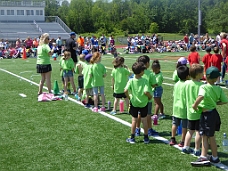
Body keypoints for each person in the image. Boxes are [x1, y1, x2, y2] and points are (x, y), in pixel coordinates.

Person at [191, 66, 228, 166]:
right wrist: (215, 103)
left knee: (205, 137)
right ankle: (214, 157)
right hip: (214, 114)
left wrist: (194, 105)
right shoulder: (218, 88)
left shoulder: (203, 87)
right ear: (216, 78)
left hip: (206, 115)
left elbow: (201, 96)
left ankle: (204, 157)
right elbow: (225, 101)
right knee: (211, 136)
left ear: (205, 77)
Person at [125, 62, 152, 144]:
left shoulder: (131, 80)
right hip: (144, 103)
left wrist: (129, 97)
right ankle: (146, 137)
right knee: (144, 120)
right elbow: (146, 91)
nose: (144, 72)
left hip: (134, 103)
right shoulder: (145, 81)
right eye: (143, 70)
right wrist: (150, 97)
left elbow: (125, 90)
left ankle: (132, 137)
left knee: (134, 120)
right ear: (141, 72)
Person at [181, 64, 204, 156]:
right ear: (198, 74)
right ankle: (197, 149)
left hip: (189, 111)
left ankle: (186, 147)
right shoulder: (201, 85)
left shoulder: (186, 83)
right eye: (202, 72)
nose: (203, 74)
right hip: (198, 111)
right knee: (198, 131)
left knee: (190, 130)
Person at [135, 55, 158, 137]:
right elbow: (154, 84)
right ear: (147, 63)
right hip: (147, 97)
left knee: (139, 114)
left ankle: (137, 129)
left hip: (138, 96)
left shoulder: (137, 72)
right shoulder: (150, 73)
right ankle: (149, 129)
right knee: (148, 114)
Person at [169, 66, 189, 146]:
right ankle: (182, 141)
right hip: (184, 108)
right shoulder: (187, 85)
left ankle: (172, 138)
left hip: (176, 108)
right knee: (184, 126)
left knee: (174, 124)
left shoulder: (176, 84)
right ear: (188, 76)